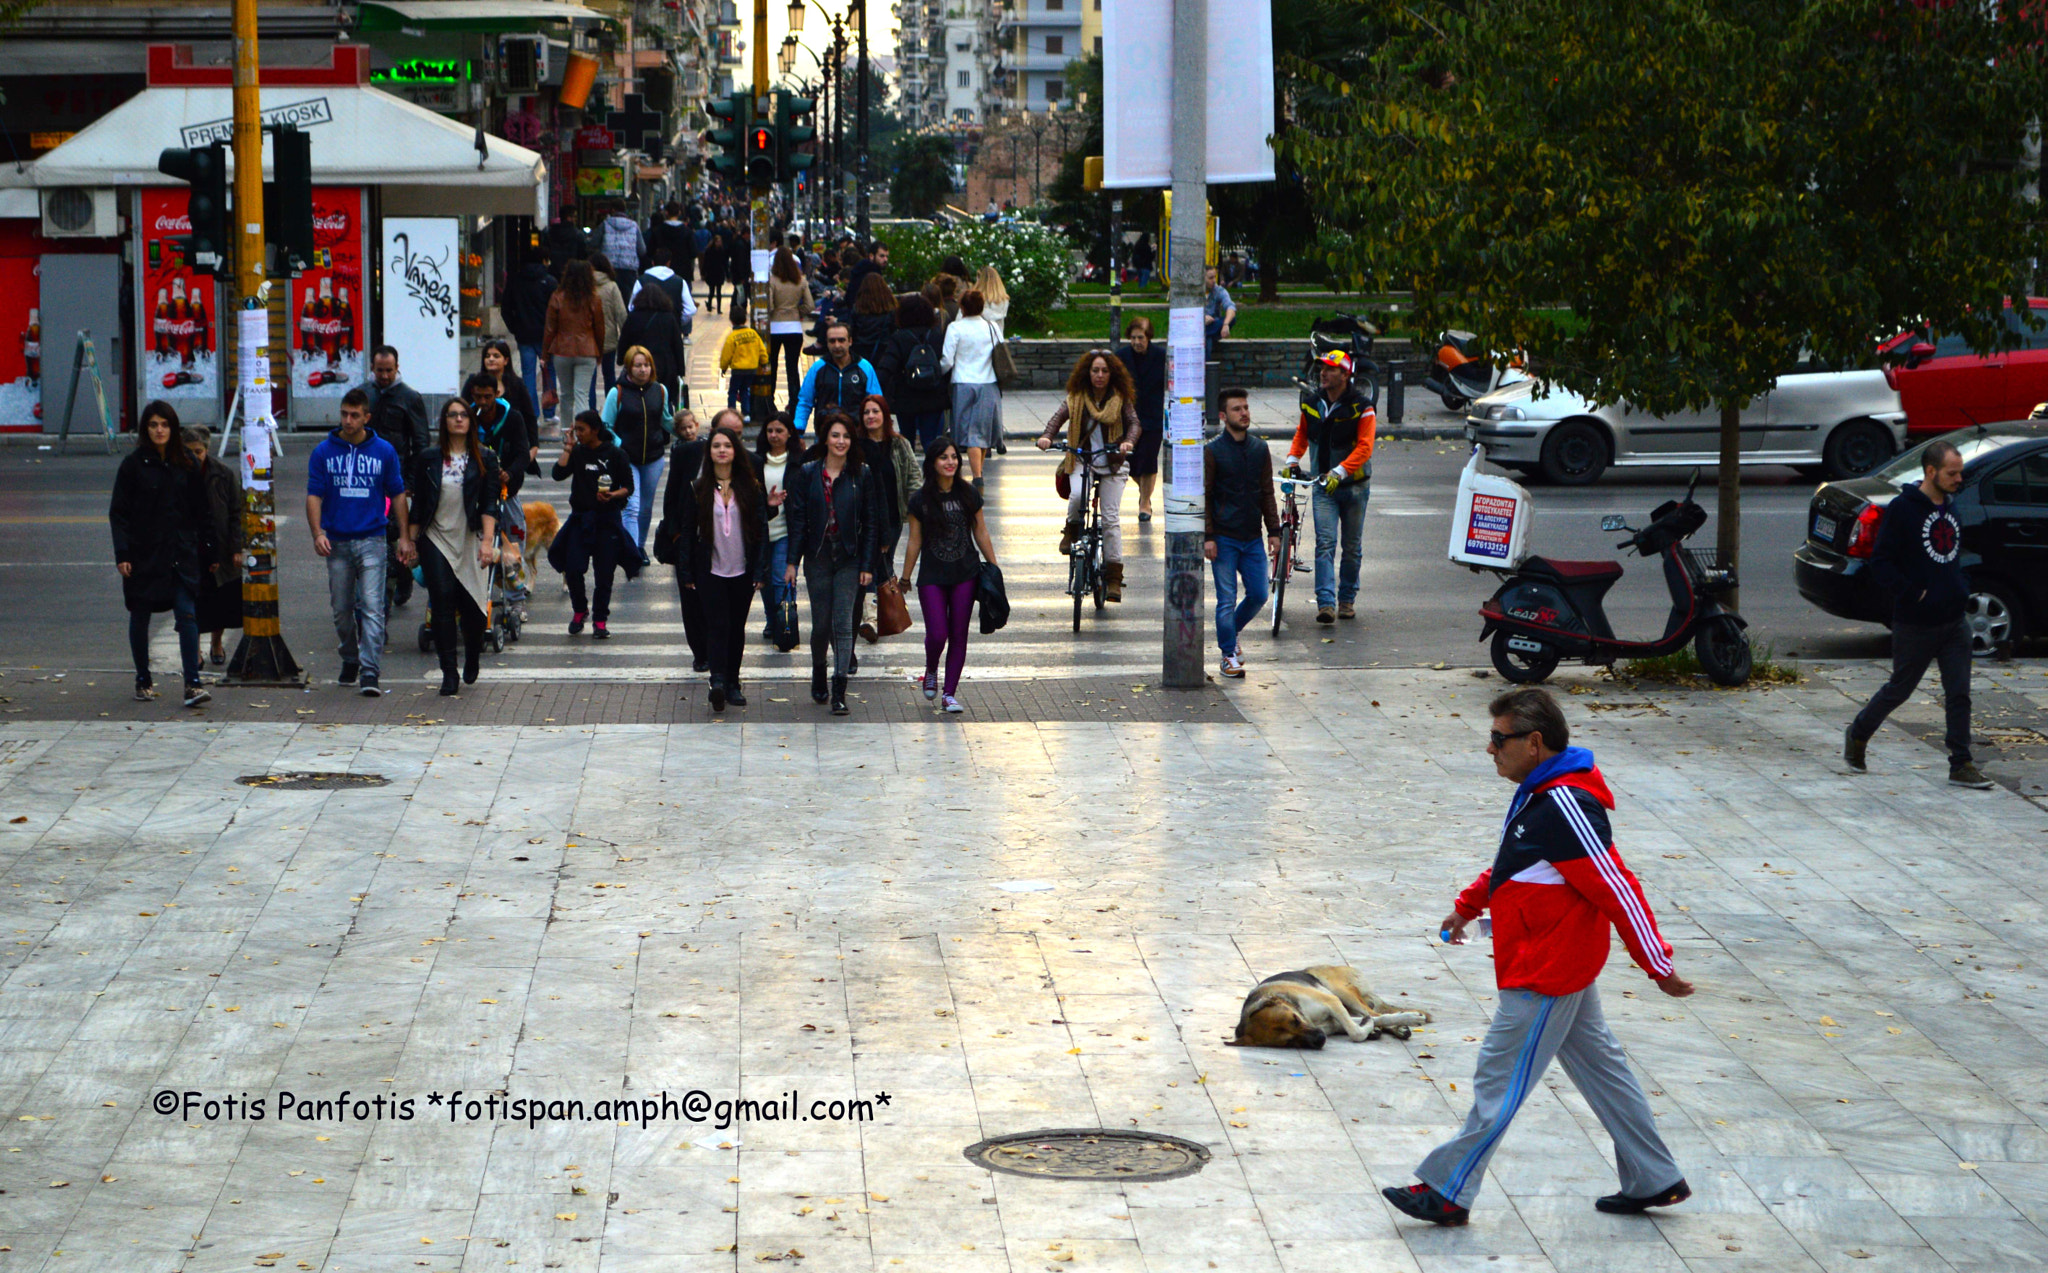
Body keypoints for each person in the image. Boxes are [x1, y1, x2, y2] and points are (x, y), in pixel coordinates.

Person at [1384, 686, 1693, 1227]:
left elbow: (1617, 890)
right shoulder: (1540, 790)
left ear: (1533, 741)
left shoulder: (1565, 802)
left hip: (1547, 970)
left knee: (1498, 1079)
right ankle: (1655, 1177)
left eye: (1498, 739)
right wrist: (1468, 906)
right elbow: (1519, 862)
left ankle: (1447, 1189)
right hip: (1553, 960)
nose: (1490, 749)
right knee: (1605, 1072)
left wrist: (1657, 965)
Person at [1844, 439, 1994, 789]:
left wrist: (1960, 585)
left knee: (1959, 693)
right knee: (1900, 689)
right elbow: (1880, 562)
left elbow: (1954, 554)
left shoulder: (1951, 508)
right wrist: (1915, 593)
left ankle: (1961, 763)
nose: (1959, 479)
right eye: (1951, 473)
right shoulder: (1903, 509)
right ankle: (1859, 732)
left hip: (1954, 620)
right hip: (1916, 622)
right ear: (1931, 472)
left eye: (1959, 472)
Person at [307, 388, 411, 696]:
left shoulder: (384, 451)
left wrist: (405, 536)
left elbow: (398, 494)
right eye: (344, 414)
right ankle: (349, 656)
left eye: (355, 415)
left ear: (367, 417)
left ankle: (369, 670)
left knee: (372, 606)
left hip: (372, 539)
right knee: (341, 608)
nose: (348, 421)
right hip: (337, 541)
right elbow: (314, 495)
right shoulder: (324, 452)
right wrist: (317, 533)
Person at [783, 412, 883, 716]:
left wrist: (868, 564)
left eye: (847, 437)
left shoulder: (861, 474)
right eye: (836, 436)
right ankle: (818, 671)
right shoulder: (808, 472)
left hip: (850, 558)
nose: (841, 442)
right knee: (821, 625)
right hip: (818, 557)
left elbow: (871, 522)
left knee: (843, 623)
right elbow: (798, 521)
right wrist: (792, 562)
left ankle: (840, 689)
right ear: (826, 438)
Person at [111, 402, 210, 706]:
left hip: (180, 552)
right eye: (153, 425)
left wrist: (207, 549)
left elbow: (201, 510)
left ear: (173, 428)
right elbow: (119, 513)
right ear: (146, 429)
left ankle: (192, 683)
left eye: (165, 425)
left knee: (187, 613)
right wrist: (123, 553)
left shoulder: (188, 462)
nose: (159, 430)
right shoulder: (133, 465)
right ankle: (143, 678)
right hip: (144, 554)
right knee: (140, 615)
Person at [408, 398, 501, 696]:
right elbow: (419, 504)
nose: (458, 419)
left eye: (463, 415)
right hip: (436, 537)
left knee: (473, 610)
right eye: (452, 415)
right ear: (445, 421)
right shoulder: (429, 458)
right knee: (442, 600)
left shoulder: (486, 458)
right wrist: (408, 541)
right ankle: (449, 672)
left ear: (470, 422)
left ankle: (472, 654)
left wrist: (487, 543)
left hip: (470, 537)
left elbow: (490, 504)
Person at [900, 436, 997, 714]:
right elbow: (914, 540)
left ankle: (949, 693)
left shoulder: (968, 494)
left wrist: (994, 567)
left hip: (965, 574)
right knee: (937, 634)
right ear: (933, 463)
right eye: (944, 457)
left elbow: (981, 532)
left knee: (958, 634)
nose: (950, 462)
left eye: (954, 456)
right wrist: (905, 577)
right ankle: (931, 668)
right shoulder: (920, 500)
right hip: (932, 576)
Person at [677, 425, 770, 710]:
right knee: (717, 625)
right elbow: (686, 532)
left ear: (735, 451)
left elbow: (761, 531)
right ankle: (717, 680)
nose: (721, 450)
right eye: (716, 446)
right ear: (710, 452)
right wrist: (686, 572)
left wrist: (761, 570)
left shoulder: (750, 487)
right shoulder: (697, 488)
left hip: (742, 569)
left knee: (736, 628)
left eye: (727, 446)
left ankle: (733, 682)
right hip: (710, 570)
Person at [1035, 350, 1140, 603]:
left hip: (1113, 463)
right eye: (1095, 370)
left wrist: (1127, 441)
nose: (1100, 375)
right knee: (1077, 496)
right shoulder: (1076, 397)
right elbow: (1057, 418)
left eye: (1105, 371)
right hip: (1083, 459)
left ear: (1111, 374)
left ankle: (1113, 577)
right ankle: (1071, 531)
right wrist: (1047, 437)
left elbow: (1135, 423)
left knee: (1111, 518)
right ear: (1087, 372)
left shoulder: (1120, 397)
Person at [1287, 349, 1376, 624]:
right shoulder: (1312, 402)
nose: (1323, 373)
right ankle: (1326, 604)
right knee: (1325, 543)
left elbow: (1365, 447)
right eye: (1322, 368)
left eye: (1330, 369)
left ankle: (1347, 599)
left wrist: (1341, 471)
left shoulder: (1363, 407)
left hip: (1354, 487)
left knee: (1351, 547)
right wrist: (1292, 459)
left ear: (1345, 374)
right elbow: (1303, 433)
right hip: (1323, 486)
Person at [1203, 388, 1280, 678]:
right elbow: (1206, 496)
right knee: (1226, 598)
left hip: (1252, 537)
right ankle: (1227, 654)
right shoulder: (1212, 451)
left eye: (1246, 407)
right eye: (1237, 409)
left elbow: (1267, 493)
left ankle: (1230, 634)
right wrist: (1208, 536)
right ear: (1224, 416)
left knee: (1260, 593)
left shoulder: (1259, 449)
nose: (1244, 413)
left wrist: (1273, 530)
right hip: (1223, 538)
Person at [549, 410, 637, 638]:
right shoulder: (577, 452)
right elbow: (558, 474)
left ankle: (600, 619)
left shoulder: (616, 454)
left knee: (604, 574)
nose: (577, 433)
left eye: (581, 429)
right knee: (573, 567)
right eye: (575, 429)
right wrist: (567, 449)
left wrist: (613, 495)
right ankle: (580, 610)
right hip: (581, 518)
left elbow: (629, 486)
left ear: (595, 430)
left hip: (607, 520)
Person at [853, 394, 920, 650]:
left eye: (875, 411)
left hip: (892, 517)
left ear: (884, 415)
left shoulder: (899, 444)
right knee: (868, 563)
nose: (871, 416)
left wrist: (916, 507)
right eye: (866, 412)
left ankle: (874, 616)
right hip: (862, 518)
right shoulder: (856, 445)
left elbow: (913, 475)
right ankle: (870, 618)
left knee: (882, 564)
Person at [603, 344, 675, 556]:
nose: (643, 370)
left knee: (645, 508)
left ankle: (640, 546)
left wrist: (686, 431)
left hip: (654, 457)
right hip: (627, 458)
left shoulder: (660, 390)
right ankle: (631, 552)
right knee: (631, 507)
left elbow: (666, 420)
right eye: (637, 366)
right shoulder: (617, 393)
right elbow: (606, 426)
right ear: (628, 368)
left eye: (646, 365)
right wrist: (619, 447)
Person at [182, 425, 242, 668]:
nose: (194, 456)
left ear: (206, 450)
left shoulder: (223, 474)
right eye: (189, 452)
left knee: (221, 603)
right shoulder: (179, 474)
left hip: (222, 548)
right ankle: (194, 652)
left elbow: (236, 513)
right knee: (193, 603)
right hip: (191, 550)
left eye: (198, 451)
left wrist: (237, 548)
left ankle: (216, 644)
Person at [941, 289, 1002, 484]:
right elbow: (1000, 352)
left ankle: (977, 476)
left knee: (970, 434)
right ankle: (979, 471)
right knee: (982, 432)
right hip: (989, 383)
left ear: (962, 307)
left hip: (964, 384)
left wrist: (939, 374)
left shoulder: (955, 328)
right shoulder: (992, 327)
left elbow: (947, 360)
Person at [877, 295, 949, 453]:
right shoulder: (937, 336)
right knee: (930, 440)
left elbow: (887, 366)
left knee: (906, 440)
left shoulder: (899, 337)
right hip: (933, 395)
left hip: (906, 396)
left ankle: (907, 474)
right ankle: (933, 474)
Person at [794, 321, 883, 439]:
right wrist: (798, 429)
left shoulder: (864, 367)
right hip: (825, 436)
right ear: (827, 343)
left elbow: (876, 401)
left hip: (857, 436)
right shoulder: (817, 368)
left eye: (841, 340)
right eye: (832, 341)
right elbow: (805, 401)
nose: (837, 345)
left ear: (850, 341)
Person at [1118, 316, 1169, 522]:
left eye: (1140, 337)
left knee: (1148, 461)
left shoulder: (1161, 356)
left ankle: (1145, 503)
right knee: (1130, 461)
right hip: (1128, 418)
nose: (1136, 342)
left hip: (1153, 416)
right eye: (1133, 338)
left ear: (1148, 338)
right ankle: (1145, 491)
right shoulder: (1121, 356)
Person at [544, 260, 606, 427]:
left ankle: (565, 432)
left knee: (566, 395)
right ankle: (582, 434)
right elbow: (600, 329)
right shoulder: (594, 299)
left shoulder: (557, 297)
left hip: (562, 350)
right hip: (587, 350)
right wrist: (599, 352)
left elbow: (550, 328)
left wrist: (545, 354)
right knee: (582, 395)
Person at [754, 413, 799, 640]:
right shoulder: (756, 461)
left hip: (786, 531)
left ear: (789, 432)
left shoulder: (798, 462)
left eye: (779, 430)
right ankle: (772, 619)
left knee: (781, 579)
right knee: (765, 580)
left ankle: (785, 622)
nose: (774, 435)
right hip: (762, 530)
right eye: (770, 430)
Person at [499, 260, 557, 419]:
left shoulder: (516, 282)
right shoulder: (549, 282)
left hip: (524, 335)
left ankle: (532, 414)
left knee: (528, 374)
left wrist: (515, 328)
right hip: (546, 335)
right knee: (549, 372)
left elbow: (505, 308)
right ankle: (549, 412)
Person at [618, 283, 689, 407]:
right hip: (665, 366)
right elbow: (677, 345)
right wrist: (680, 370)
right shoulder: (668, 318)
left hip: (639, 363)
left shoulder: (633, 317)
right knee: (663, 399)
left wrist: (621, 359)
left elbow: (624, 340)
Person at [765, 246, 813, 407]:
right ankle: (794, 400)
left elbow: (769, 305)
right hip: (794, 328)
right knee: (792, 367)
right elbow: (810, 305)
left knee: (772, 365)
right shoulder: (801, 280)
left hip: (775, 328)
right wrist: (798, 312)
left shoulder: (771, 281)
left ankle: (769, 401)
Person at [480, 340, 539, 460]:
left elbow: (529, 416)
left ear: (506, 360)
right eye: (487, 356)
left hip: (512, 450)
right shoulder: (474, 383)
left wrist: (534, 447)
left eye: (496, 356)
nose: (491, 359)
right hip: (482, 448)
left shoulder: (517, 384)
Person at [719, 299, 770, 423]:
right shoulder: (753, 334)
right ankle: (746, 414)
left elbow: (726, 354)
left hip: (738, 369)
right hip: (752, 368)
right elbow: (762, 350)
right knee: (745, 390)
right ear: (745, 319)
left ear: (731, 320)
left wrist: (723, 367)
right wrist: (764, 363)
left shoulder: (732, 337)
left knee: (732, 391)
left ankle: (732, 412)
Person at [590, 252, 629, 404]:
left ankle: (591, 412)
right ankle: (611, 408)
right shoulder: (612, 286)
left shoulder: (586, 286)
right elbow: (621, 313)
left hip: (589, 339)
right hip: (609, 337)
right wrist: (625, 337)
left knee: (590, 380)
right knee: (609, 375)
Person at [848, 272, 899, 370]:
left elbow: (852, 331)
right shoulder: (890, 310)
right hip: (883, 353)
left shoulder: (857, 309)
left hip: (860, 352)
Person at [598, 201, 648, 303]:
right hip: (629, 270)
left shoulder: (605, 224)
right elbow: (642, 250)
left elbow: (593, 243)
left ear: (612, 210)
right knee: (627, 300)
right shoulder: (634, 226)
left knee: (608, 300)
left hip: (608, 269)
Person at [649, 202, 696, 294]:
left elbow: (650, 252)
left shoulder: (658, 231)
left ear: (666, 213)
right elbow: (693, 253)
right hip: (683, 274)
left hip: (661, 275)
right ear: (679, 213)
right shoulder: (687, 232)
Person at [1203, 264, 1236, 357]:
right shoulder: (1193, 292)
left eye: (1215, 277)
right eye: (1210, 278)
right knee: (1207, 338)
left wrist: (1225, 325)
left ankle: (1205, 333)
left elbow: (1230, 307)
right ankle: (1205, 333)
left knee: (1231, 319)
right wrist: (1202, 318)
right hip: (1197, 325)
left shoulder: (1219, 291)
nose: (1214, 280)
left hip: (1214, 324)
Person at [702, 224, 730, 308]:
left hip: (719, 272)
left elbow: (725, 263)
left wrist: (727, 274)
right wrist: (704, 272)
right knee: (712, 291)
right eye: (717, 242)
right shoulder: (710, 251)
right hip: (712, 272)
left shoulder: (721, 250)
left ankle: (718, 307)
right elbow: (706, 262)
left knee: (718, 291)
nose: (719, 243)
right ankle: (710, 304)